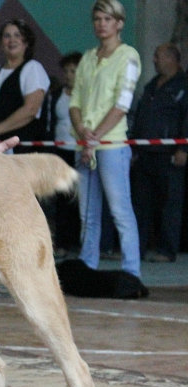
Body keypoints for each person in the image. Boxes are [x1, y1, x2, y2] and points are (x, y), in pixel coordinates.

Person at [69, 0, 143, 279]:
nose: (101, 24)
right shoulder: (88, 57)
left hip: (110, 144)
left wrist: (94, 137)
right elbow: (75, 99)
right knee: (87, 213)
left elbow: (122, 104)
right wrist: (81, 131)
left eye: (107, 19)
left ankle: (131, 270)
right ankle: (88, 265)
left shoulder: (129, 56)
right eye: (97, 19)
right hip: (85, 142)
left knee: (120, 210)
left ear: (119, 23)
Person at [131, 43, 188, 263]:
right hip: (145, 153)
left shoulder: (183, 85)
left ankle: (166, 250)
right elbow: (141, 117)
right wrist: (135, 146)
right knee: (141, 204)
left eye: (158, 55)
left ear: (172, 58)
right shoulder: (152, 85)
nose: (154, 59)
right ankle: (138, 247)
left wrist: (183, 148)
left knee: (170, 205)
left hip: (170, 154)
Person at [0, 19, 50, 153]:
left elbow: (31, 109)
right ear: (1, 42)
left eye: (17, 35)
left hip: (21, 151)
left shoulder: (33, 68)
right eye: (7, 36)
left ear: (26, 42)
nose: (12, 40)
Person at [44, 52, 83, 255]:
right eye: (66, 71)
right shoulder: (56, 95)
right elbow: (50, 123)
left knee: (78, 199)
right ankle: (61, 242)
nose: (68, 75)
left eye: (73, 71)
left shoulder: (87, 94)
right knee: (61, 198)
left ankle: (77, 241)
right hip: (60, 152)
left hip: (80, 150)